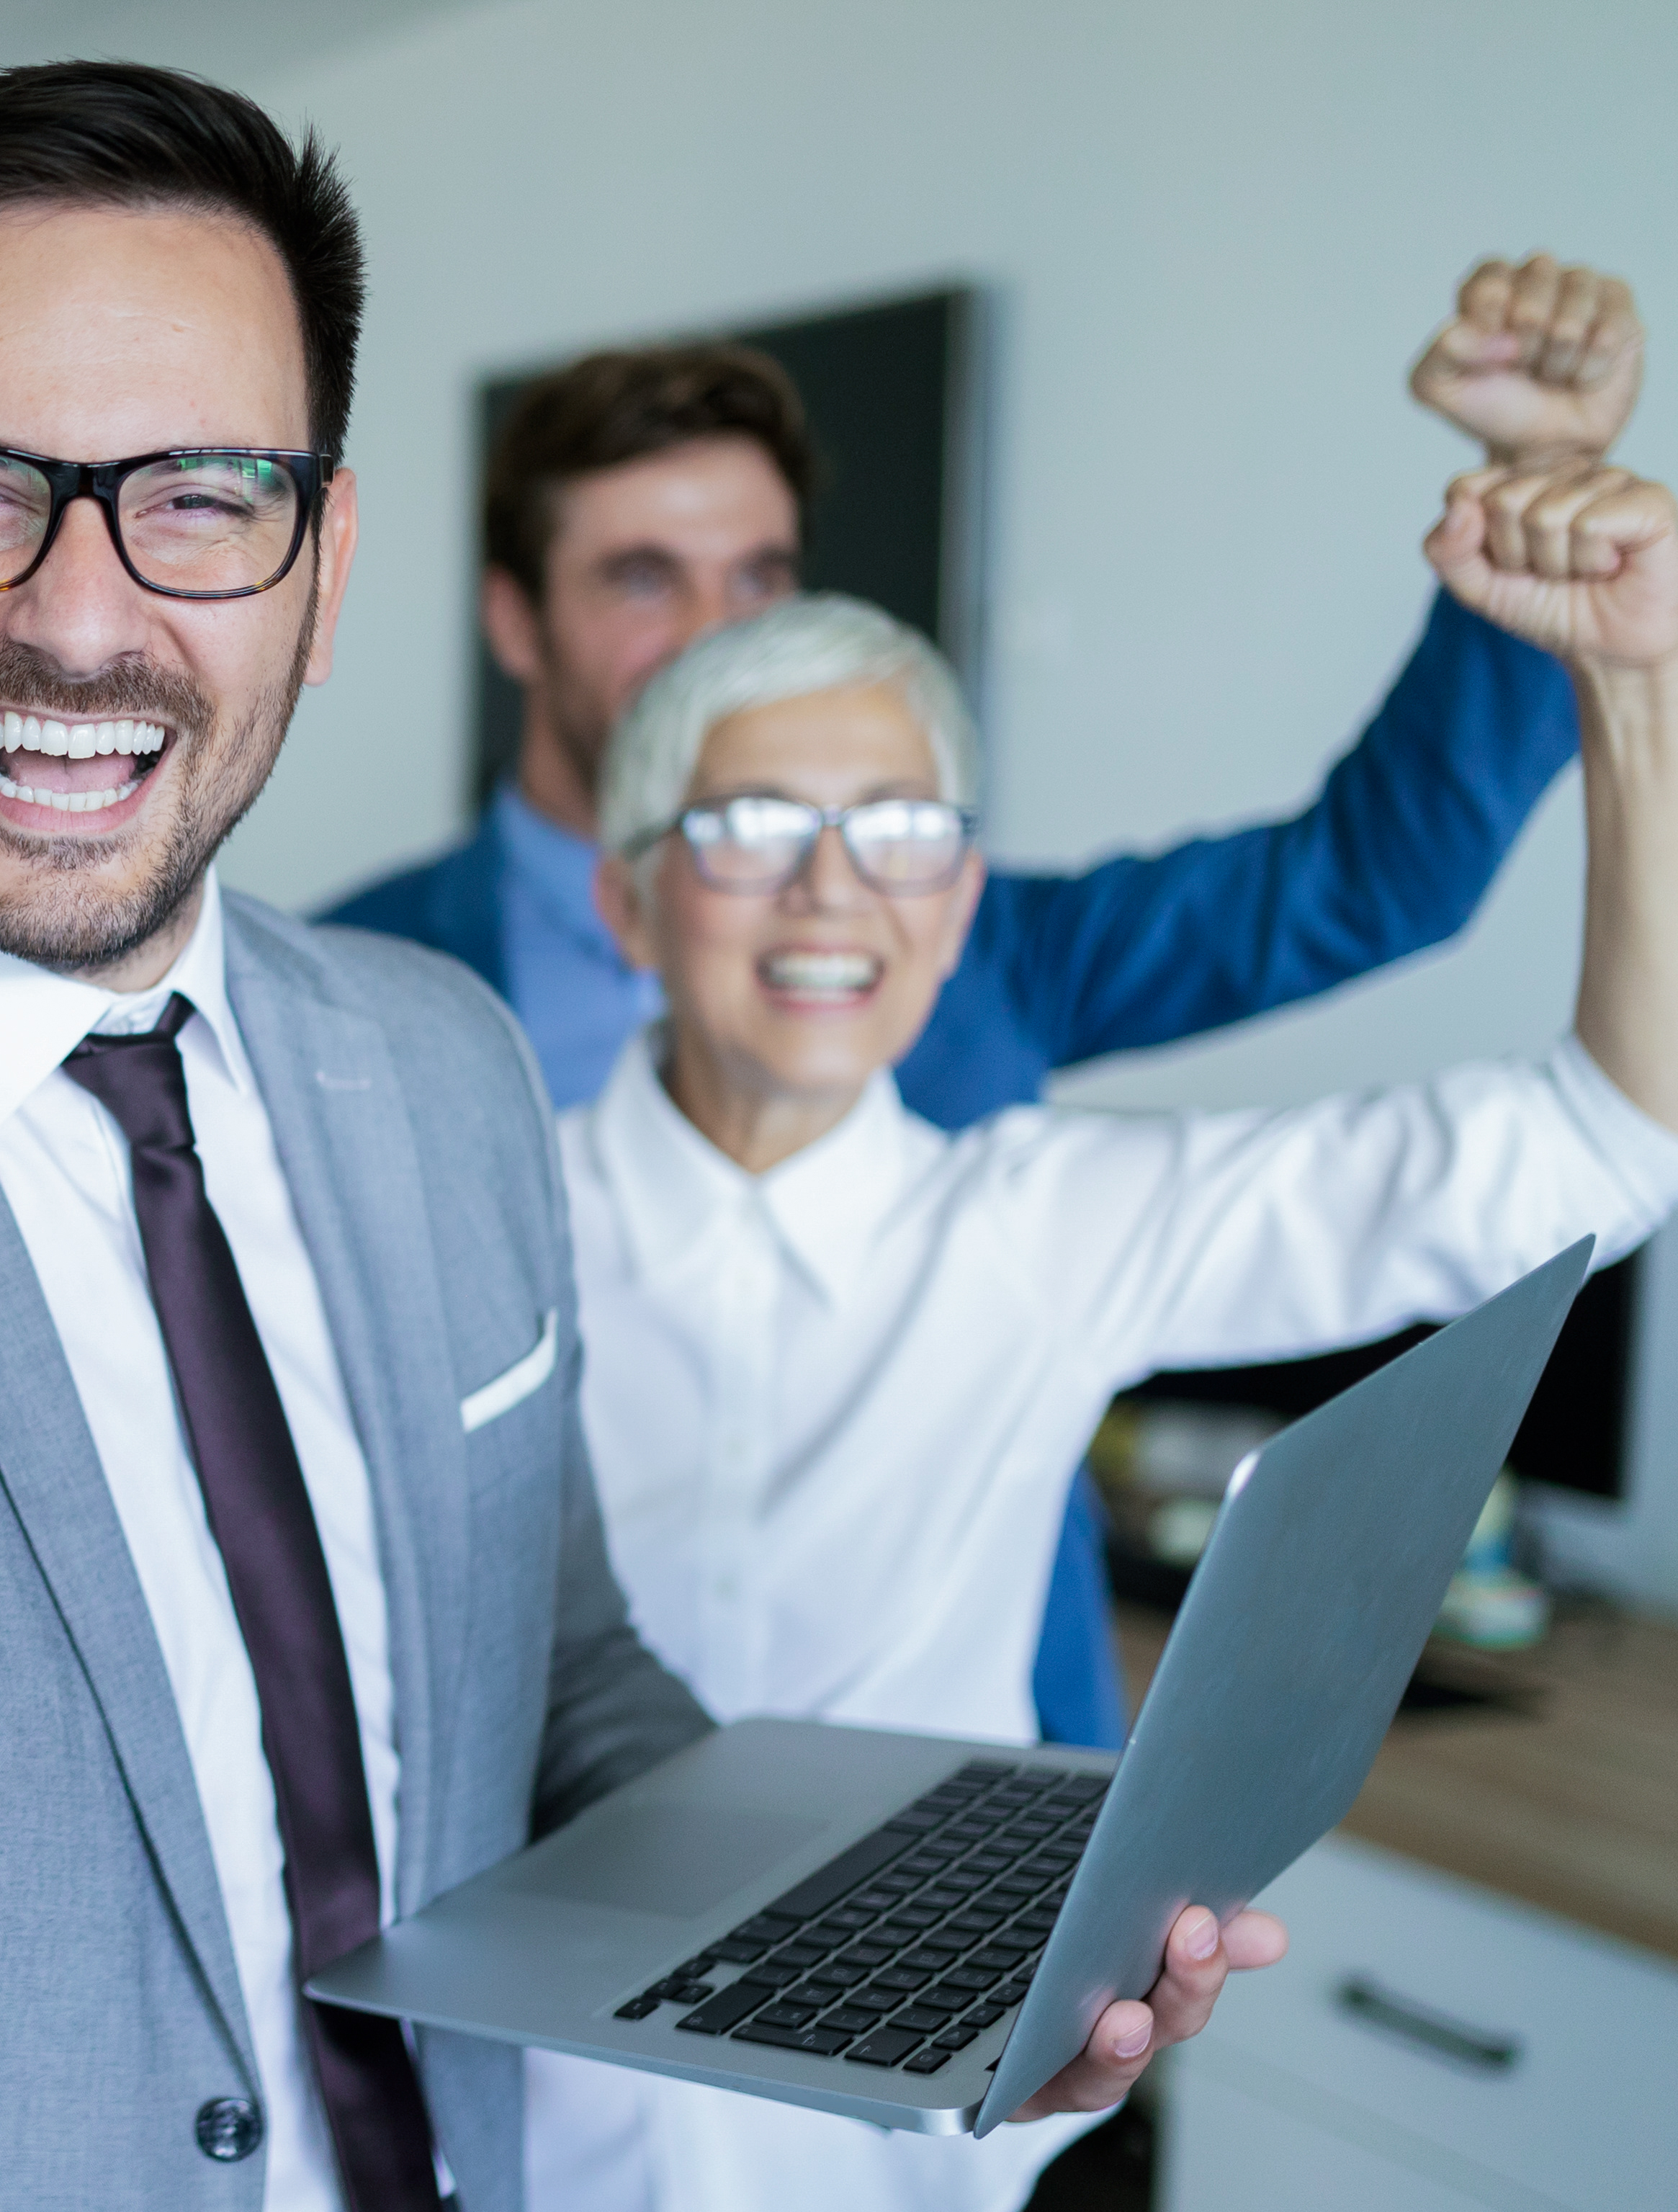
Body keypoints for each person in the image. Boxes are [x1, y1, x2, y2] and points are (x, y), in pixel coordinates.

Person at [0, 61, 1268, 2212]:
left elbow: (551, 1687)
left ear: (324, 567)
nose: (79, 616)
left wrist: (916, 1967)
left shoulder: (442, 1065)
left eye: (205, 496)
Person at [531, 457, 1678, 2212]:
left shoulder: (1041, 1220)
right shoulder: (465, 1208)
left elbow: (1605, 1145)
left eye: (901, 826)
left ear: (963, 891)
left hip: (901, 2175)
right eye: (751, 822)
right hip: (500, 2178)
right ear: (629, 894)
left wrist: (1637, 690)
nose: (835, 886)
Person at [323, 257, 1643, 1751]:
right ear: (516, 621)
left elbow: (1368, 882)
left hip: (945, 1816)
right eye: (644, 578)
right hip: (530, 1803)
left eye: (758, 577)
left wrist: (1543, 499)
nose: (715, 632)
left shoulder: (964, 934)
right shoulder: (355, 986)